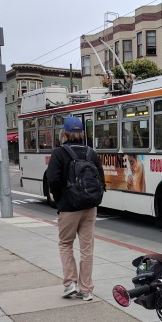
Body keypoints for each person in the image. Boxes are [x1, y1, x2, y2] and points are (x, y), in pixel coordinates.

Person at [46, 116, 104, 301]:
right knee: (87, 248)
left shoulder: (59, 153)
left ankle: (70, 283)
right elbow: (101, 179)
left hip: (69, 206)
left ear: (65, 132)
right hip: (90, 206)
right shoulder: (90, 152)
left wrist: (59, 198)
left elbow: (53, 179)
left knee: (65, 244)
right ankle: (86, 289)